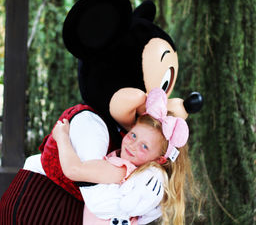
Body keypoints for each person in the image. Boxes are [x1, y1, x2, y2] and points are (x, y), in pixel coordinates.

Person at [52, 88, 192, 225]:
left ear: (158, 160)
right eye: (133, 135)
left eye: (144, 146)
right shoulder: (138, 178)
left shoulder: (123, 170)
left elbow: (74, 170)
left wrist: (61, 136)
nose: (133, 145)